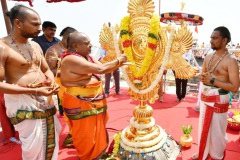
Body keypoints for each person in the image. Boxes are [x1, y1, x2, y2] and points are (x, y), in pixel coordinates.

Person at [0, 5, 61, 159]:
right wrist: (35, 91)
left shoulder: (35, 45)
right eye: (35, 24)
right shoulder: (3, 47)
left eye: (39, 24)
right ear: (18, 23)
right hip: (23, 102)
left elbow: (46, 69)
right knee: (33, 148)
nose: (40, 29)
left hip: (45, 99)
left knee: (52, 138)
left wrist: (51, 81)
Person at [60, 32, 127, 160]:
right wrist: (119, 60)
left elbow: (102, 66)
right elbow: (100, 70)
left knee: (98, 132)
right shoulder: (70, 59)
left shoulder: (86, 56)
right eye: (86, 43)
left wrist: (118, 63)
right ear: (75, 45)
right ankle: (87, 157)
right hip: (80, 104)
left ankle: (98, 156)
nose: (90, 45)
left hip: (94, 102)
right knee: (86, 135)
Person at [192, 26, 239, 160]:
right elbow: (204, 75)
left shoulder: (231, 60)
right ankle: (203, 152)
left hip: (219, 100)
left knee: (217, 132)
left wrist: (213, 81)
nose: (211, 41)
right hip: (206, 98)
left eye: (215, 38)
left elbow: (235, 87)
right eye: (211, 38)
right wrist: (202, 77)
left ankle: (216, 156)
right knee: (202, 127)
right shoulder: (208, 56)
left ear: (224, 40)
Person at [45, 26, 77, 148]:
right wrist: (70, 71)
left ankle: (78, 134)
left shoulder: (75, 49)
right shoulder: (53, 50)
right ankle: (72, 135)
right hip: (63, 85)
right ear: (67, 37)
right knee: (70, 111)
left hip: (77, 84)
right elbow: (50, 70)